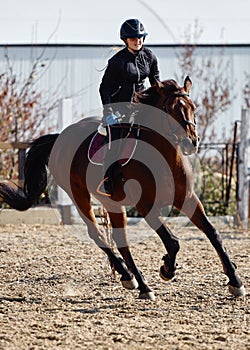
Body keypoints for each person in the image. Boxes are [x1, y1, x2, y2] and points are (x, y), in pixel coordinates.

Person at [97, 18, 160, 196]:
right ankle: (107, 179)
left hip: (142, 105)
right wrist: (109, 111)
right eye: (133, 38)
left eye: (140, 37)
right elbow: (104, 88)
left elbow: (156, 82)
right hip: (120, 108)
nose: (137, 41)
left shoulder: (149, 56)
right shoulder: (117, 62)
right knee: (115, 138)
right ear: (125, 40)